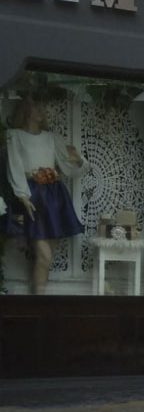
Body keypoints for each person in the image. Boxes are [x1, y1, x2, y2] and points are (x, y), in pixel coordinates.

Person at [3, 94, 89, 294]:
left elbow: (69, 166)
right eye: (37, 107)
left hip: (54, 196)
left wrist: (79, 161)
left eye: (43, 107)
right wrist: (22, 194)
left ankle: (39, 303)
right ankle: (38, 304)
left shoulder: (52, 138)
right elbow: (14, 166)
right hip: (33, 197)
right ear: (26, 110)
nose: (41, 111)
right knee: (44, 256)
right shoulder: (14, 135)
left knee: (43, 258)